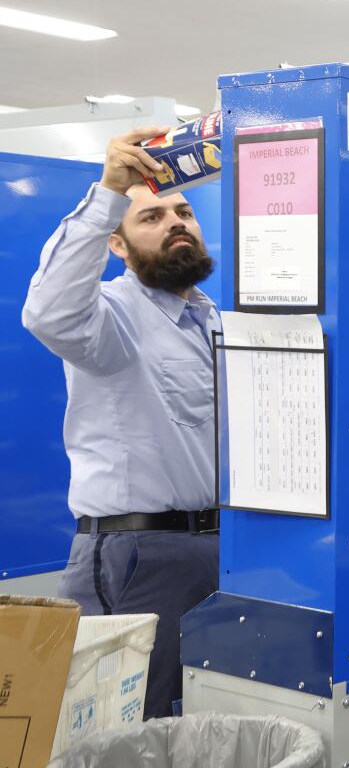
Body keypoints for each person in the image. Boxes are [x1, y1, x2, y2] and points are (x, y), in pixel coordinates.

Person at [22, 126, 221, 720]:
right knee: (125, 728)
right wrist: (110, 189)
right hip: (136, 556)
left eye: (183, 212)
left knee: (196, 721)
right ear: (117, 244)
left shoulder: (214, 322)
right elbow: (50, 313)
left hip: (218, 549)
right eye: (151, 217)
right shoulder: (112, 317)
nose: (175, 223)